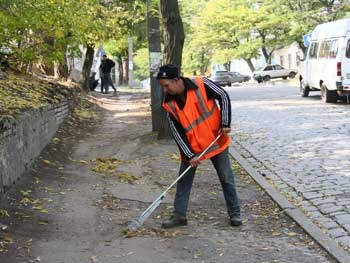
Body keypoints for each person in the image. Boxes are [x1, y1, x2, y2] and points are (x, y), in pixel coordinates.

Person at [157, 64, 242, 228]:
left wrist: (225, 123)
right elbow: (177, 133)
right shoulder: (169, 104)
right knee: (184, 181)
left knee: (226, 178)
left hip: (215, 141)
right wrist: (190, 155)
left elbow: (223, 96)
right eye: (163, 87)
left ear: (177, 80)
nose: (165, 90)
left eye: (167, 85)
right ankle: (179, 216)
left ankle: (235, 213)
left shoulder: (201, 84)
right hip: (192, 148)